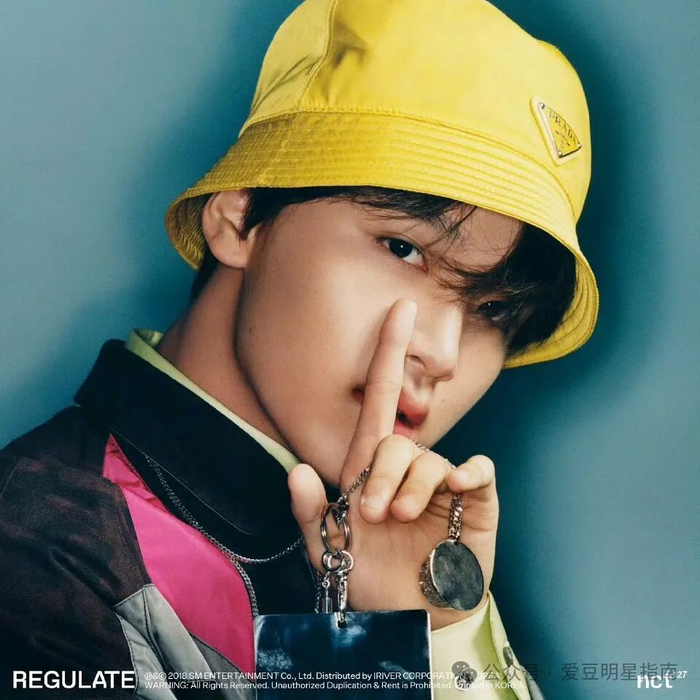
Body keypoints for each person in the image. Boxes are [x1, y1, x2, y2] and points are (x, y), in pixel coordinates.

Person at [0, 0, 599, 698]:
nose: (441, 352)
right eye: (402, 249)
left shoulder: (402, 559)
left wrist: (435, 635)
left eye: (492, 310)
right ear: (240, 219)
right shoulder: (42, 547)